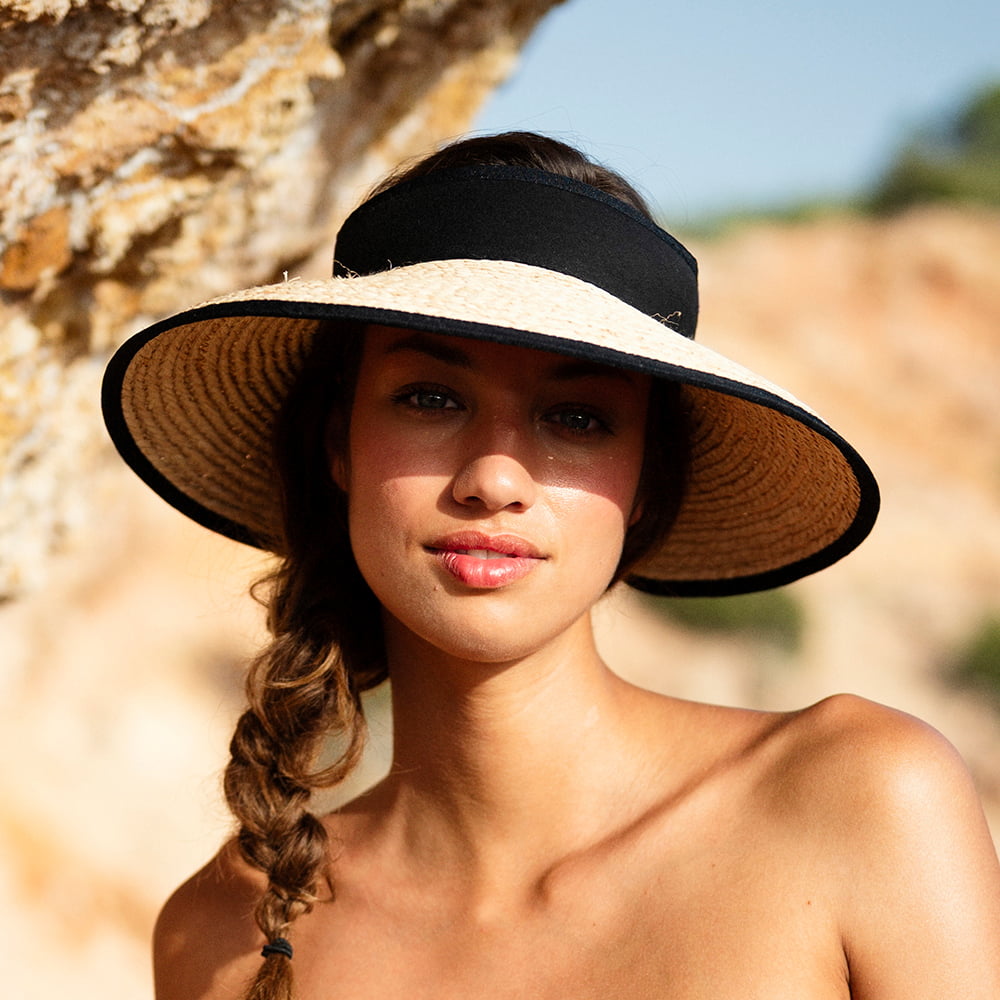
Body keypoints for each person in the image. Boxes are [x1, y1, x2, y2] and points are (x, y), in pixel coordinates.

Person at [102, 132, 1000, 1000]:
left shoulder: (860, 802)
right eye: (430, 397)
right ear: (341, 444)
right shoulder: (221, 934)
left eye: (577, 418)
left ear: (647, 481)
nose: (495, 478)